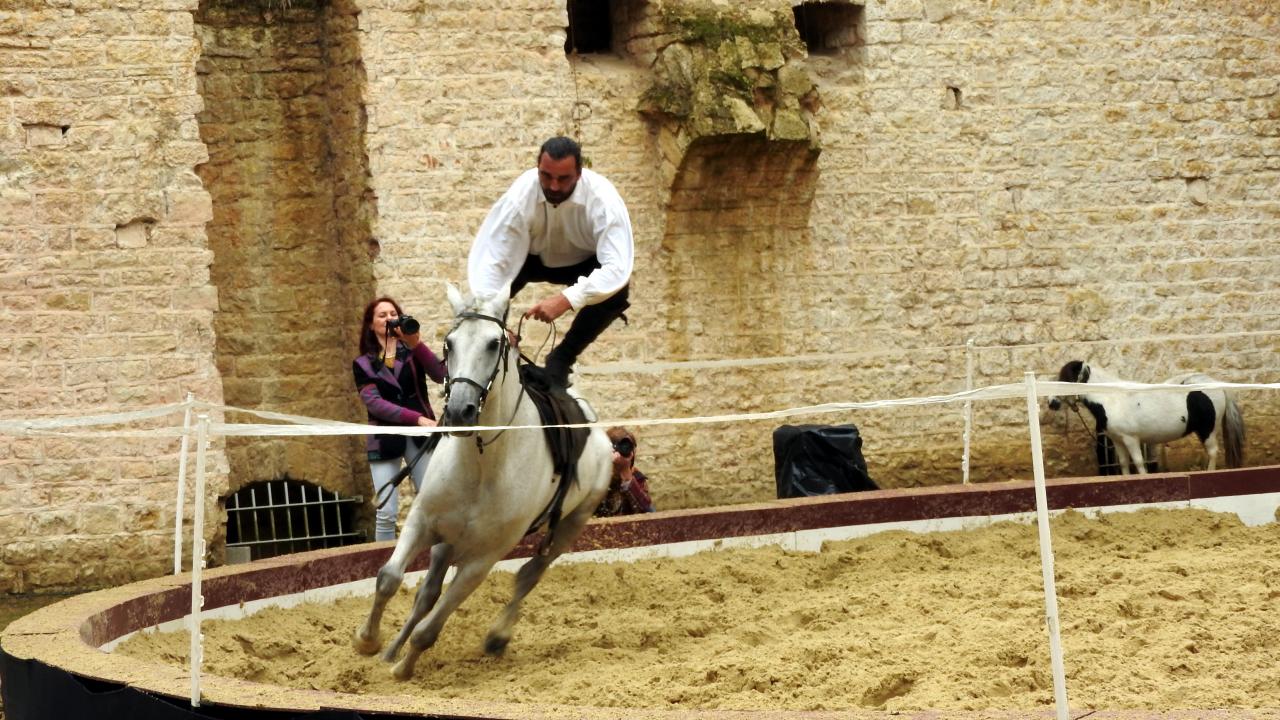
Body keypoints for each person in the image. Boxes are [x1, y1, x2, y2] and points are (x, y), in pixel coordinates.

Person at [468, 136, 634, 388]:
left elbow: (617, 268)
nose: (554, 186)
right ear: (538, 168)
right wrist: (495, 324)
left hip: (584, 261)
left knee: (617, 292)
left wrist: (567, 299)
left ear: (579, 174)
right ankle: (495, 352)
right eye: (546, 176)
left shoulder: (603, 199)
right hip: (530, 258)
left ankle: (561, 360)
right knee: (487, 304)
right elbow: (494, 261)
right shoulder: (520, 195)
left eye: (563, 179)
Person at [352, 297, 445, 541]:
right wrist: (417, 419)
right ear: (371, 324)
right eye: (382, 315)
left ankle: (433, 556)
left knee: (432, 502)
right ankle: (382, 561)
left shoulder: (413, 352)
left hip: (420, 438)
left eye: (393, 313)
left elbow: (441, 374)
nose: (389, 318)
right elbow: (375, 403)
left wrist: (417, 343)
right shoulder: (363, 363)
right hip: (384, 438)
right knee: (386, 512)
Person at [595, 426, 654, 517]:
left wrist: (626, 473)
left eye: (627, 447)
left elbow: (647, 512)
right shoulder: (597, 477)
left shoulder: (637, 478)